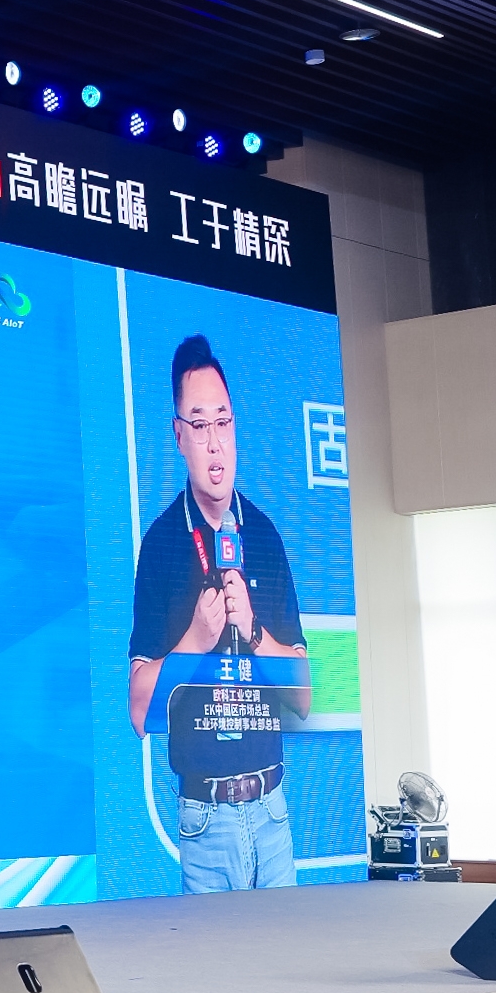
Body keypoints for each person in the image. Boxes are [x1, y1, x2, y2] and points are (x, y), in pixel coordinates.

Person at [128, 335, 307, 891]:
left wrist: (252, 629)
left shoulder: (265, 536)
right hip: (205, 822)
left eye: (224, 423)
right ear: (178, 436)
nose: (215, 443)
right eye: (200, 425)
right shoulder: (160, 545)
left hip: (273, 813)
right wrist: (194, 640)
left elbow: (303, 697)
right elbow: (138, 711)